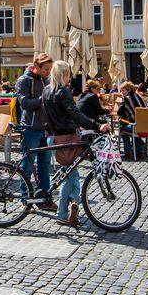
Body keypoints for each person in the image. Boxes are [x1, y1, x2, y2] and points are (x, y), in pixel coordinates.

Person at [43, 60, 111, 227]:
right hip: (69, 137)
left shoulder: (46, 91)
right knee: (70, 174)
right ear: (64, 74)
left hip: (55, 135)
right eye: (69, 74)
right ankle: (62, 213)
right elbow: (75, 115)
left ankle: (74, 203)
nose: (70, 77)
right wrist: (97, 125)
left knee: (71, 172)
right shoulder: (63, 92)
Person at [15, 53, 55, 211]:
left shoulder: (47, 80)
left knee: (44, 167)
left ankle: (43, 199)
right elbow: (24, 103)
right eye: (46, 69)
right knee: (26, 166)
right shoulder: (24, 81)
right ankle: (25, 200)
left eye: (50, 69)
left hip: (46, 129)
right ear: (36, 67)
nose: (48, 72)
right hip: (30, 128)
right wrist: (42, 99)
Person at [116, 81, 145, 158]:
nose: (121, 92)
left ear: (128, 90)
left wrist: (119, 106)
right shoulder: (139, 97)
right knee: (134, 127)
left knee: (122, 129)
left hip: (135, 126)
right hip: (145, 126)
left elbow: (120, 113)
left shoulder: (126, 99)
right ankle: (139, 151)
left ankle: (128, 152)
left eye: (123, 90)